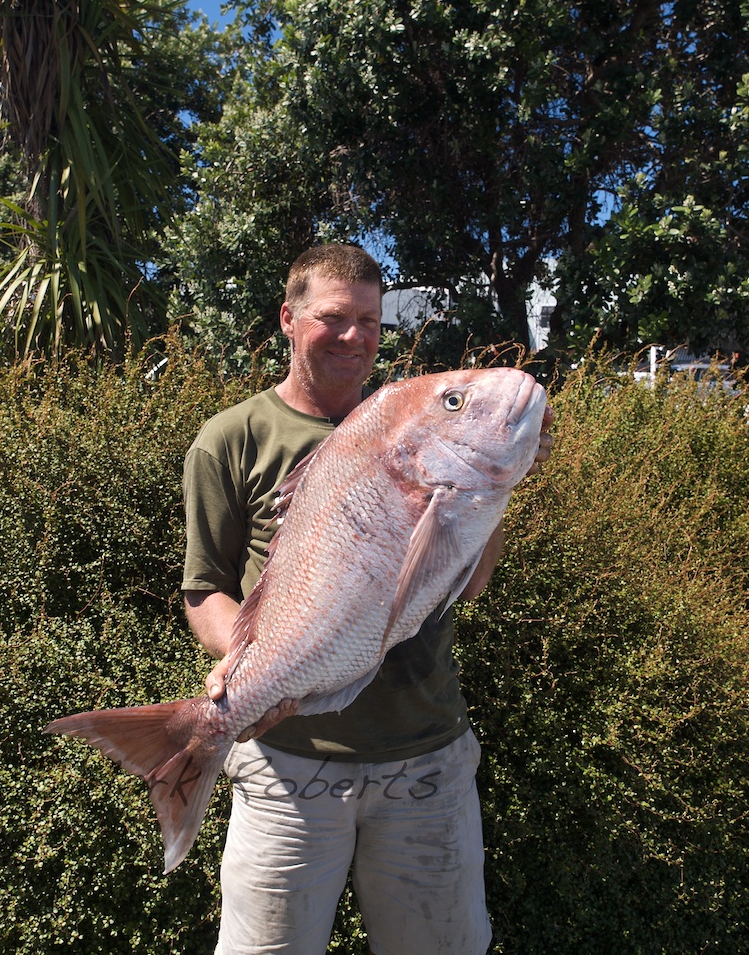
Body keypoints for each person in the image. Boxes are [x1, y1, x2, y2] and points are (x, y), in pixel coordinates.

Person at [182, 243, 554, 955]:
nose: (355, 336)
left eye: (371, 322)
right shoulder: (230, 440)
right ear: (288, 319)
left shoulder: (405, 422)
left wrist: (493, 493)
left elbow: (466, 584)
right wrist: (250, 674)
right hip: (286, 765)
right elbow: (204, 589)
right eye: (333, 317)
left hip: (428, 761)